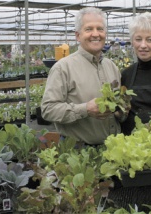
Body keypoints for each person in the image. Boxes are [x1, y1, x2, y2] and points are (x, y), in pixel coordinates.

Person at [41, 7, 122, 145]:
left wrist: (121, 111)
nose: (95, 34)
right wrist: (85, 109)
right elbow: (48, 110)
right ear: (78, 35)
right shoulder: (63, 68)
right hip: (78, 155)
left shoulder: (111, 66)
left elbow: (119, 105)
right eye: (89, 29)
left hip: (114, 149)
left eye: (100, 29)